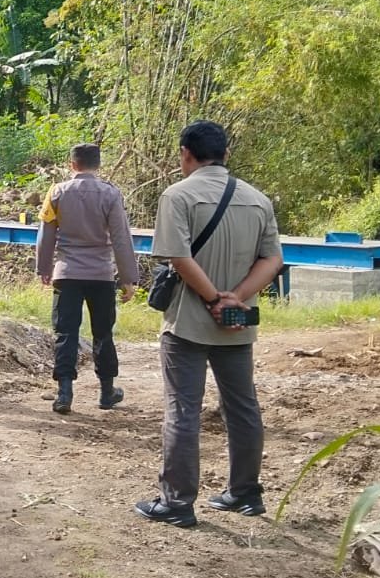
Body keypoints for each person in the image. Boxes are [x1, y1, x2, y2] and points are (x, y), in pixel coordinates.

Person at [135, 121, 283, 530]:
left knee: (183, 410)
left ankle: (177, 502)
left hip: (188, 321)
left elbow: (179, 258)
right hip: (237, 321)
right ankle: (245, 493)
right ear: (226, 154)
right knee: (243, 406)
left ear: (185, 153)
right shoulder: (257, 200)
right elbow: (273, 259)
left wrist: (213, 299)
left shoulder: (178, 196)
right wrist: (235, 298)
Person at [35, 143, 140, 414]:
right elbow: (121, 237)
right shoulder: (111, 194)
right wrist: (128, 278)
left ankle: (64, 393)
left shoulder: (57, 192)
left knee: (65, 332)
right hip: (101, 274)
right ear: (98, 164)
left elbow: (46, 233)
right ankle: (107, 392)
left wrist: (44, 268)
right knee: (103, 332)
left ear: (72, 164)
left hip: (67, 273)